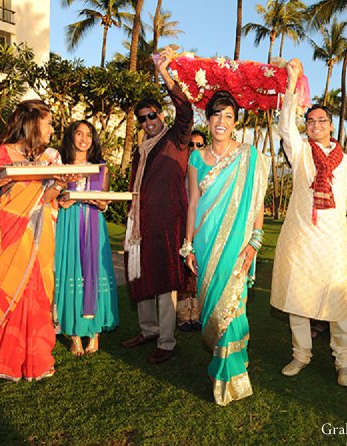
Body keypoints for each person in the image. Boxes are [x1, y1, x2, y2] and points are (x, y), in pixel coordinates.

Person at [270, 59, 347, 388]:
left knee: (338, 305)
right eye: (310, 121)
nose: (314, 125)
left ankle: (343, 361)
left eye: (320, 120)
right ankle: (301, 355)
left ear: (330, 125)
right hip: (300, 239)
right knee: (298, 301)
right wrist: (292, 82)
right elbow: (285, 127)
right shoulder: (299, 153)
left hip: (334, 243)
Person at [182, 90, 269, 406]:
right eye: (216, 115)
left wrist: (254, 244)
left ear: (235, 122)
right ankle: (224, 369)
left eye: (228, 116)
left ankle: (228, 377)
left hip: (236, 247)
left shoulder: (249, 156)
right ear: (208, 118)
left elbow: (256, 203)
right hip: (205, 244)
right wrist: (188, 244)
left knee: (232, 310)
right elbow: (192, 202)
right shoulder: (195, 158)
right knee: (211, 312)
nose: (221, 122)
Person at [0, 99, 63, 383]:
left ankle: (37, 360)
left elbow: (50, 198)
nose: (52, 128)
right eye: (48, 122)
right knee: (5, 288)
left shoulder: (51, 158)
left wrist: (62, 182)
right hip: (9, 229)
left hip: (40, 233)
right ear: (32, 122)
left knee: (38, 293)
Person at [121, 46, 194, 365]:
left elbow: (186, 109)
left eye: (153, 115)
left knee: (164, 280)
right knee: (140, 277)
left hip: (167, 222)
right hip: (141, 224)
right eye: (143, 118)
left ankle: (166, 339)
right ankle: (148, 329)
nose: (149, 121)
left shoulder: (176, 138)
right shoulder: (142, 149)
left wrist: (165, 73)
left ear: (161, 116)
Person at [54, 120, 119, 356]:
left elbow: (104, 202)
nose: (84, 139)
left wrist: (100, 203)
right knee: (71, 270)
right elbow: (52, 197)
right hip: (69, 224)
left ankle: (94, 332)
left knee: (94, 272)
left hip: (93, 223)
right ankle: (73, 333)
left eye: (89, 135)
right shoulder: (59, 166)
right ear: (71, 137)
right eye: (79, 134)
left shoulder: (101, 167)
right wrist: (63, 201)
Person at [176, 130, 207, 332]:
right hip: (181, 223)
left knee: (198, 270)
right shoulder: (179, 170)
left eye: (199, 145)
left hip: (202, 225)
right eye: (191, 144)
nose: (194, 148)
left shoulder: (208, 170)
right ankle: (182, 315)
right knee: (182, 271)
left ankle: (196, 314)